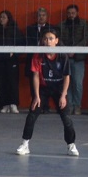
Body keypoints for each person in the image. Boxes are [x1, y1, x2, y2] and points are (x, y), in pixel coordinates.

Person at [16, 28, 78, 157]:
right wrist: (37, 96)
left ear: (56, 41)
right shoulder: (38, 55)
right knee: (32, 114)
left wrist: (63, 95)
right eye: (45, 38)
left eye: (51, 38)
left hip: (59, 88)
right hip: (43, 89)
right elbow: (35, 76)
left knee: (66, 118)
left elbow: (67, 77)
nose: (48, 41)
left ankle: (71, 145)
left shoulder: (62, 56)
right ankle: (25, 144)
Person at [57, 4, 88, 114]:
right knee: (67, 83)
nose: (71, 15)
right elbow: (59, 40)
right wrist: (66, 51)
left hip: (79, 58)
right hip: (65, 58)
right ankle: (70, 105)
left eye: (73, 13)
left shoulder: (84, 24)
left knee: (77, 83)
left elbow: (86, 39)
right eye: (69, 13)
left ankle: (77, 105)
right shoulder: (61, 25)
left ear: (77, 13)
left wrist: (74, 50)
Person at [0, 10, 20, 113]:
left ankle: (13, 104)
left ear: (8, 19)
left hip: (11, 61)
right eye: (0, 17)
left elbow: (22, 44)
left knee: (12, 82)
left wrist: (14, 53)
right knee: (1, 83)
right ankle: (5, 104)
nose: (1, 19)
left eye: (4, 17)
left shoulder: (15, 30)